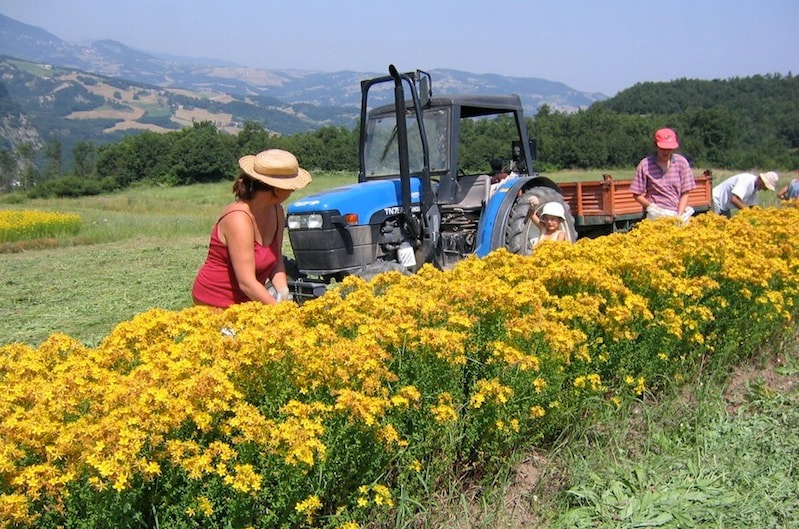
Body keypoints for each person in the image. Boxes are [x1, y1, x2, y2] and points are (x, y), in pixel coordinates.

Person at [192, 149, 312, 309]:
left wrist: (283, 293)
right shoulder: (238, 219)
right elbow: (246, 283)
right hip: (217, 302)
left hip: (250, 301)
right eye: (291, 187)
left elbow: (276, 261)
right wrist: (280, 312)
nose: (292, 190)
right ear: (276, 189)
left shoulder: (276, 210)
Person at [630, 128, 696, 221]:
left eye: (669, 149)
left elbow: (685, 192)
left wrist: (679, 215)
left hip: (676, 211)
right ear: (655, 146)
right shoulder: (645, 165)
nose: (666, 152)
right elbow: (637, 194)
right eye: (662, 148)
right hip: (654, 215)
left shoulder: (681, 163)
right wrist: (652, 207)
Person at [711, 171, 779, 216]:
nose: (765, 189)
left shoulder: (754, 187)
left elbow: (753, 206)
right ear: (761, 180)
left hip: (724, 207)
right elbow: (734, 200)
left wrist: (760, 215)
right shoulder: (747, 180)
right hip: (716, 201)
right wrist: (747, 213)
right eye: (766, 186)